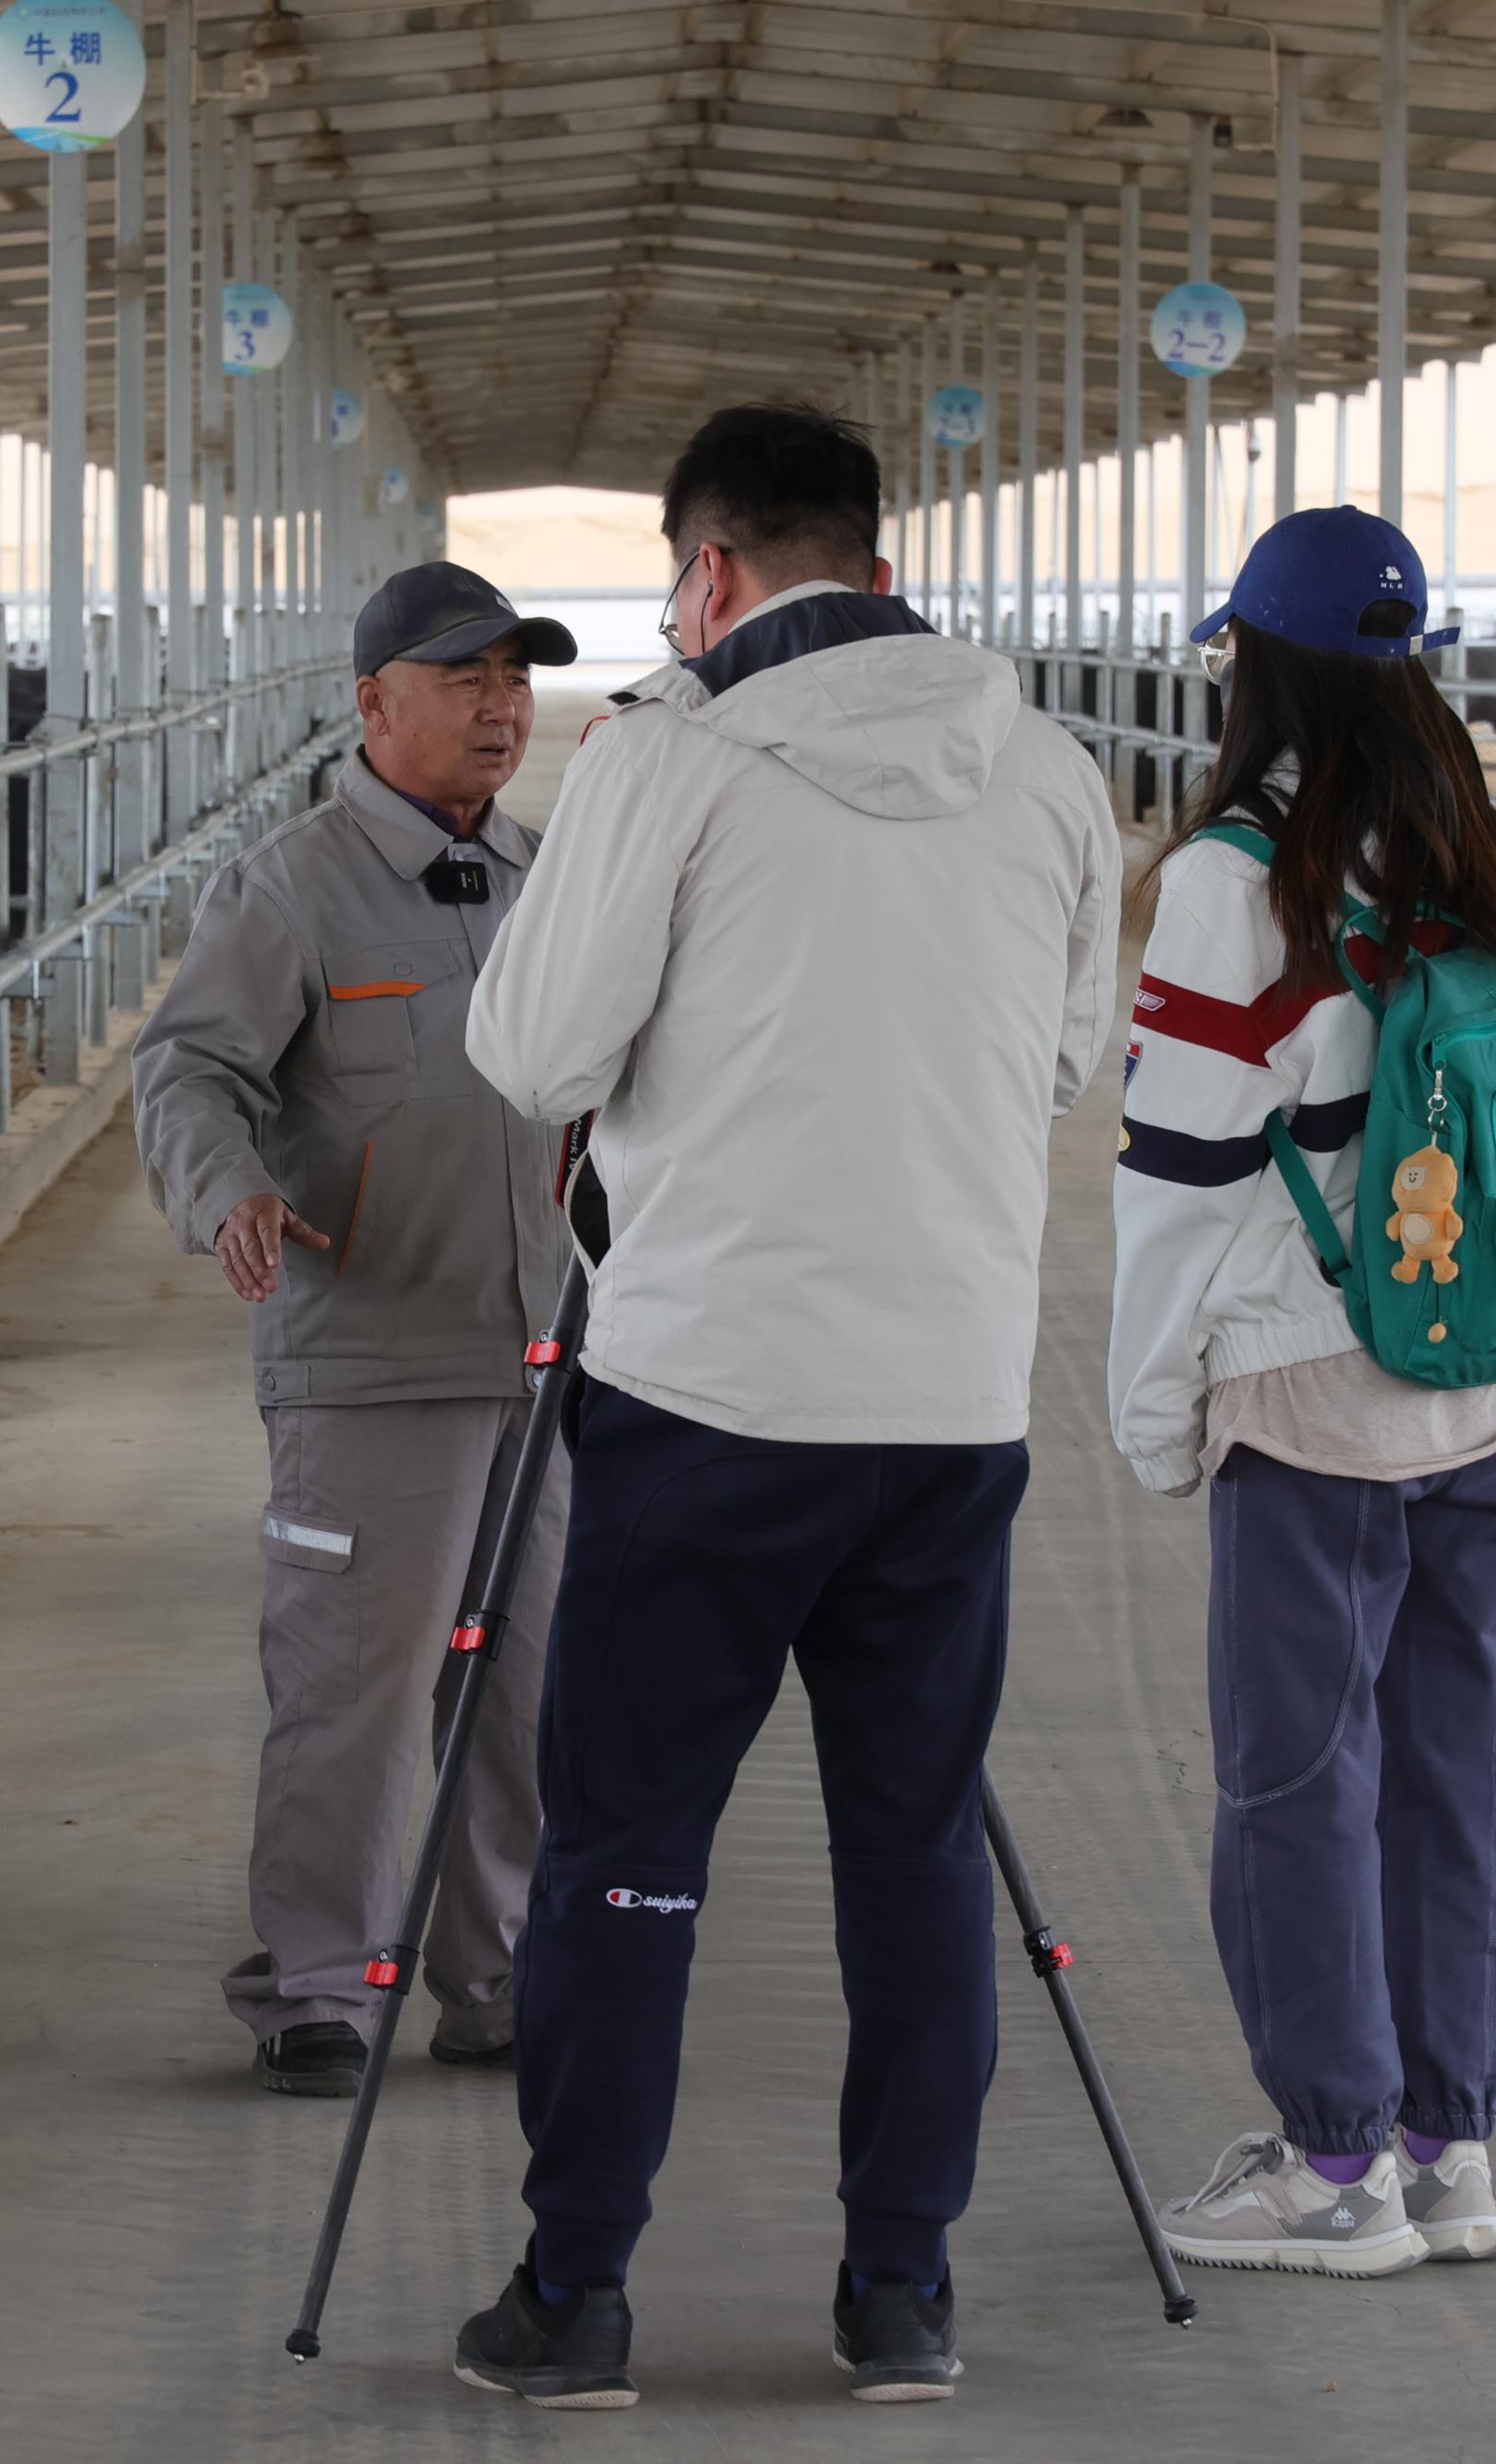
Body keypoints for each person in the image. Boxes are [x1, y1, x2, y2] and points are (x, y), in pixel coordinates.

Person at [450, 403, 1119, 2407]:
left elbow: (534, 1041)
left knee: (630, 1847)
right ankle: (901, 2289)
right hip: (948, 1398)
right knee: (912, 1847)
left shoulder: (667, 759)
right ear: (882, 559)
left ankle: (579, 2295)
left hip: (710, 1392)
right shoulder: (1058, 775)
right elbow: (1070, 1058)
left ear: (713, 576)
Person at [1106, 505, 1496, 2278]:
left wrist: (1153, 1410)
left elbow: (1176, 1176)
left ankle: (1328, 2168)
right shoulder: (1481, 847)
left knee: (1297, 1774)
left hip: (1310, 1391)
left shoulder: (1235, 877)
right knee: (1455, 1767)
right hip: (1487, 1379)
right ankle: (1448, 2148)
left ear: (1252, 660)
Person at [130, 560, 581, 2098]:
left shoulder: (543, 877)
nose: (499, 705)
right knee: (359, 1690)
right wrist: (226, 1194)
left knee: (523, 1697)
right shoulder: (289, 885)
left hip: (539, 1355)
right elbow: (189, 1072)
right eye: (464, 679)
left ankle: (496, 1973)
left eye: (515, 677)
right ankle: (321, 1981)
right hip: (373, 1358)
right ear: (373, 702)